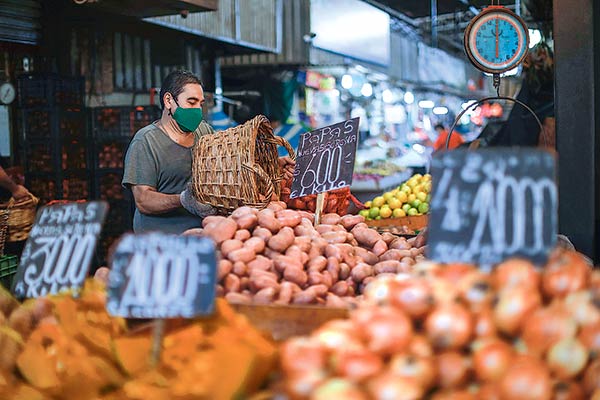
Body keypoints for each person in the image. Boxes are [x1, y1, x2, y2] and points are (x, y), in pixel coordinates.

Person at [123, 70, 294, 234]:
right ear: (168, 100)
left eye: (200, 103)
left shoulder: (203, 131)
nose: (198, 110)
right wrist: (183, 200)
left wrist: (269, 165)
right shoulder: (146, 141)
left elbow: (231, 166)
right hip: (164, 243)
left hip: (206, 234)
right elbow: (143, 200)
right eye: (191, 102)